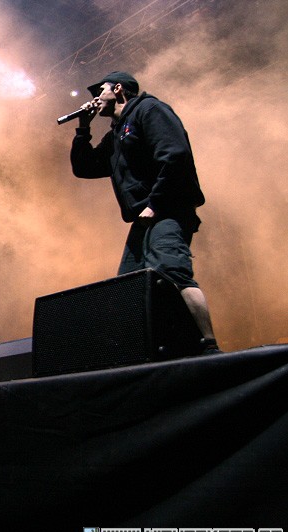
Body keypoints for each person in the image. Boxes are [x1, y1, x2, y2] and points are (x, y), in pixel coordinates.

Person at [69, 71, 220, 354]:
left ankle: (209, 346)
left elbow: (175, 156)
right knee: (130, 288)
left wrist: (155, 203)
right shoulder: (115, 135)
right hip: (144, 218)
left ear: (118, 89)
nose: (96, 98)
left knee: (171, 270)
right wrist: (83, 128)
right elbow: (84, 167)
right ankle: (148, 353)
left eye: (100, 91)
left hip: (168, 208)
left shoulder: (149, 110)